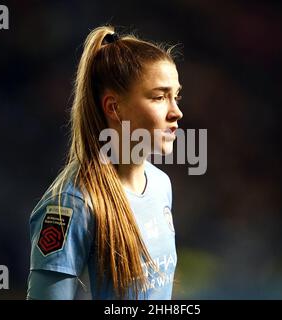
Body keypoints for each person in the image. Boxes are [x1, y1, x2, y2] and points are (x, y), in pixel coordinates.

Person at [27, 25, 183, 300]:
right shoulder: (71, 204)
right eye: (159, 97)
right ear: (114, 107)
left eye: (176, 96)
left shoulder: (161, 185)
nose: (176, 112)